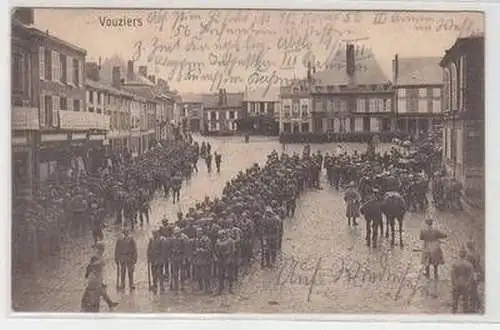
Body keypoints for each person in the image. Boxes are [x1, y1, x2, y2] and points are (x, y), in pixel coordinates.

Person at [81, 243, 118, 312]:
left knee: (101, 291)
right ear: (98, 249)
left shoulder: (100, 256)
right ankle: (89, 305)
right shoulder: (95, 257)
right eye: (101, 249)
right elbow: (90, 266)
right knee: (95, 290)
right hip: (94, 278)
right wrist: (88, 274)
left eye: (103, 249)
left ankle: (109, 303)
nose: (102, 250)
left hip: (98, 277)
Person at [451, 249, 475, 313]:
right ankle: (465, 316)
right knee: (465, 301)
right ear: (465, 255)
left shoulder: (455, 263)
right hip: (465, 284)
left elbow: (452, 276)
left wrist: (454, 284)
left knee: (455, 301)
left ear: (459, 254)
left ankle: (453, 314)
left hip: (457, 284)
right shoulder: (469, 264)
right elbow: (471, 276)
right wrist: (468, 284)